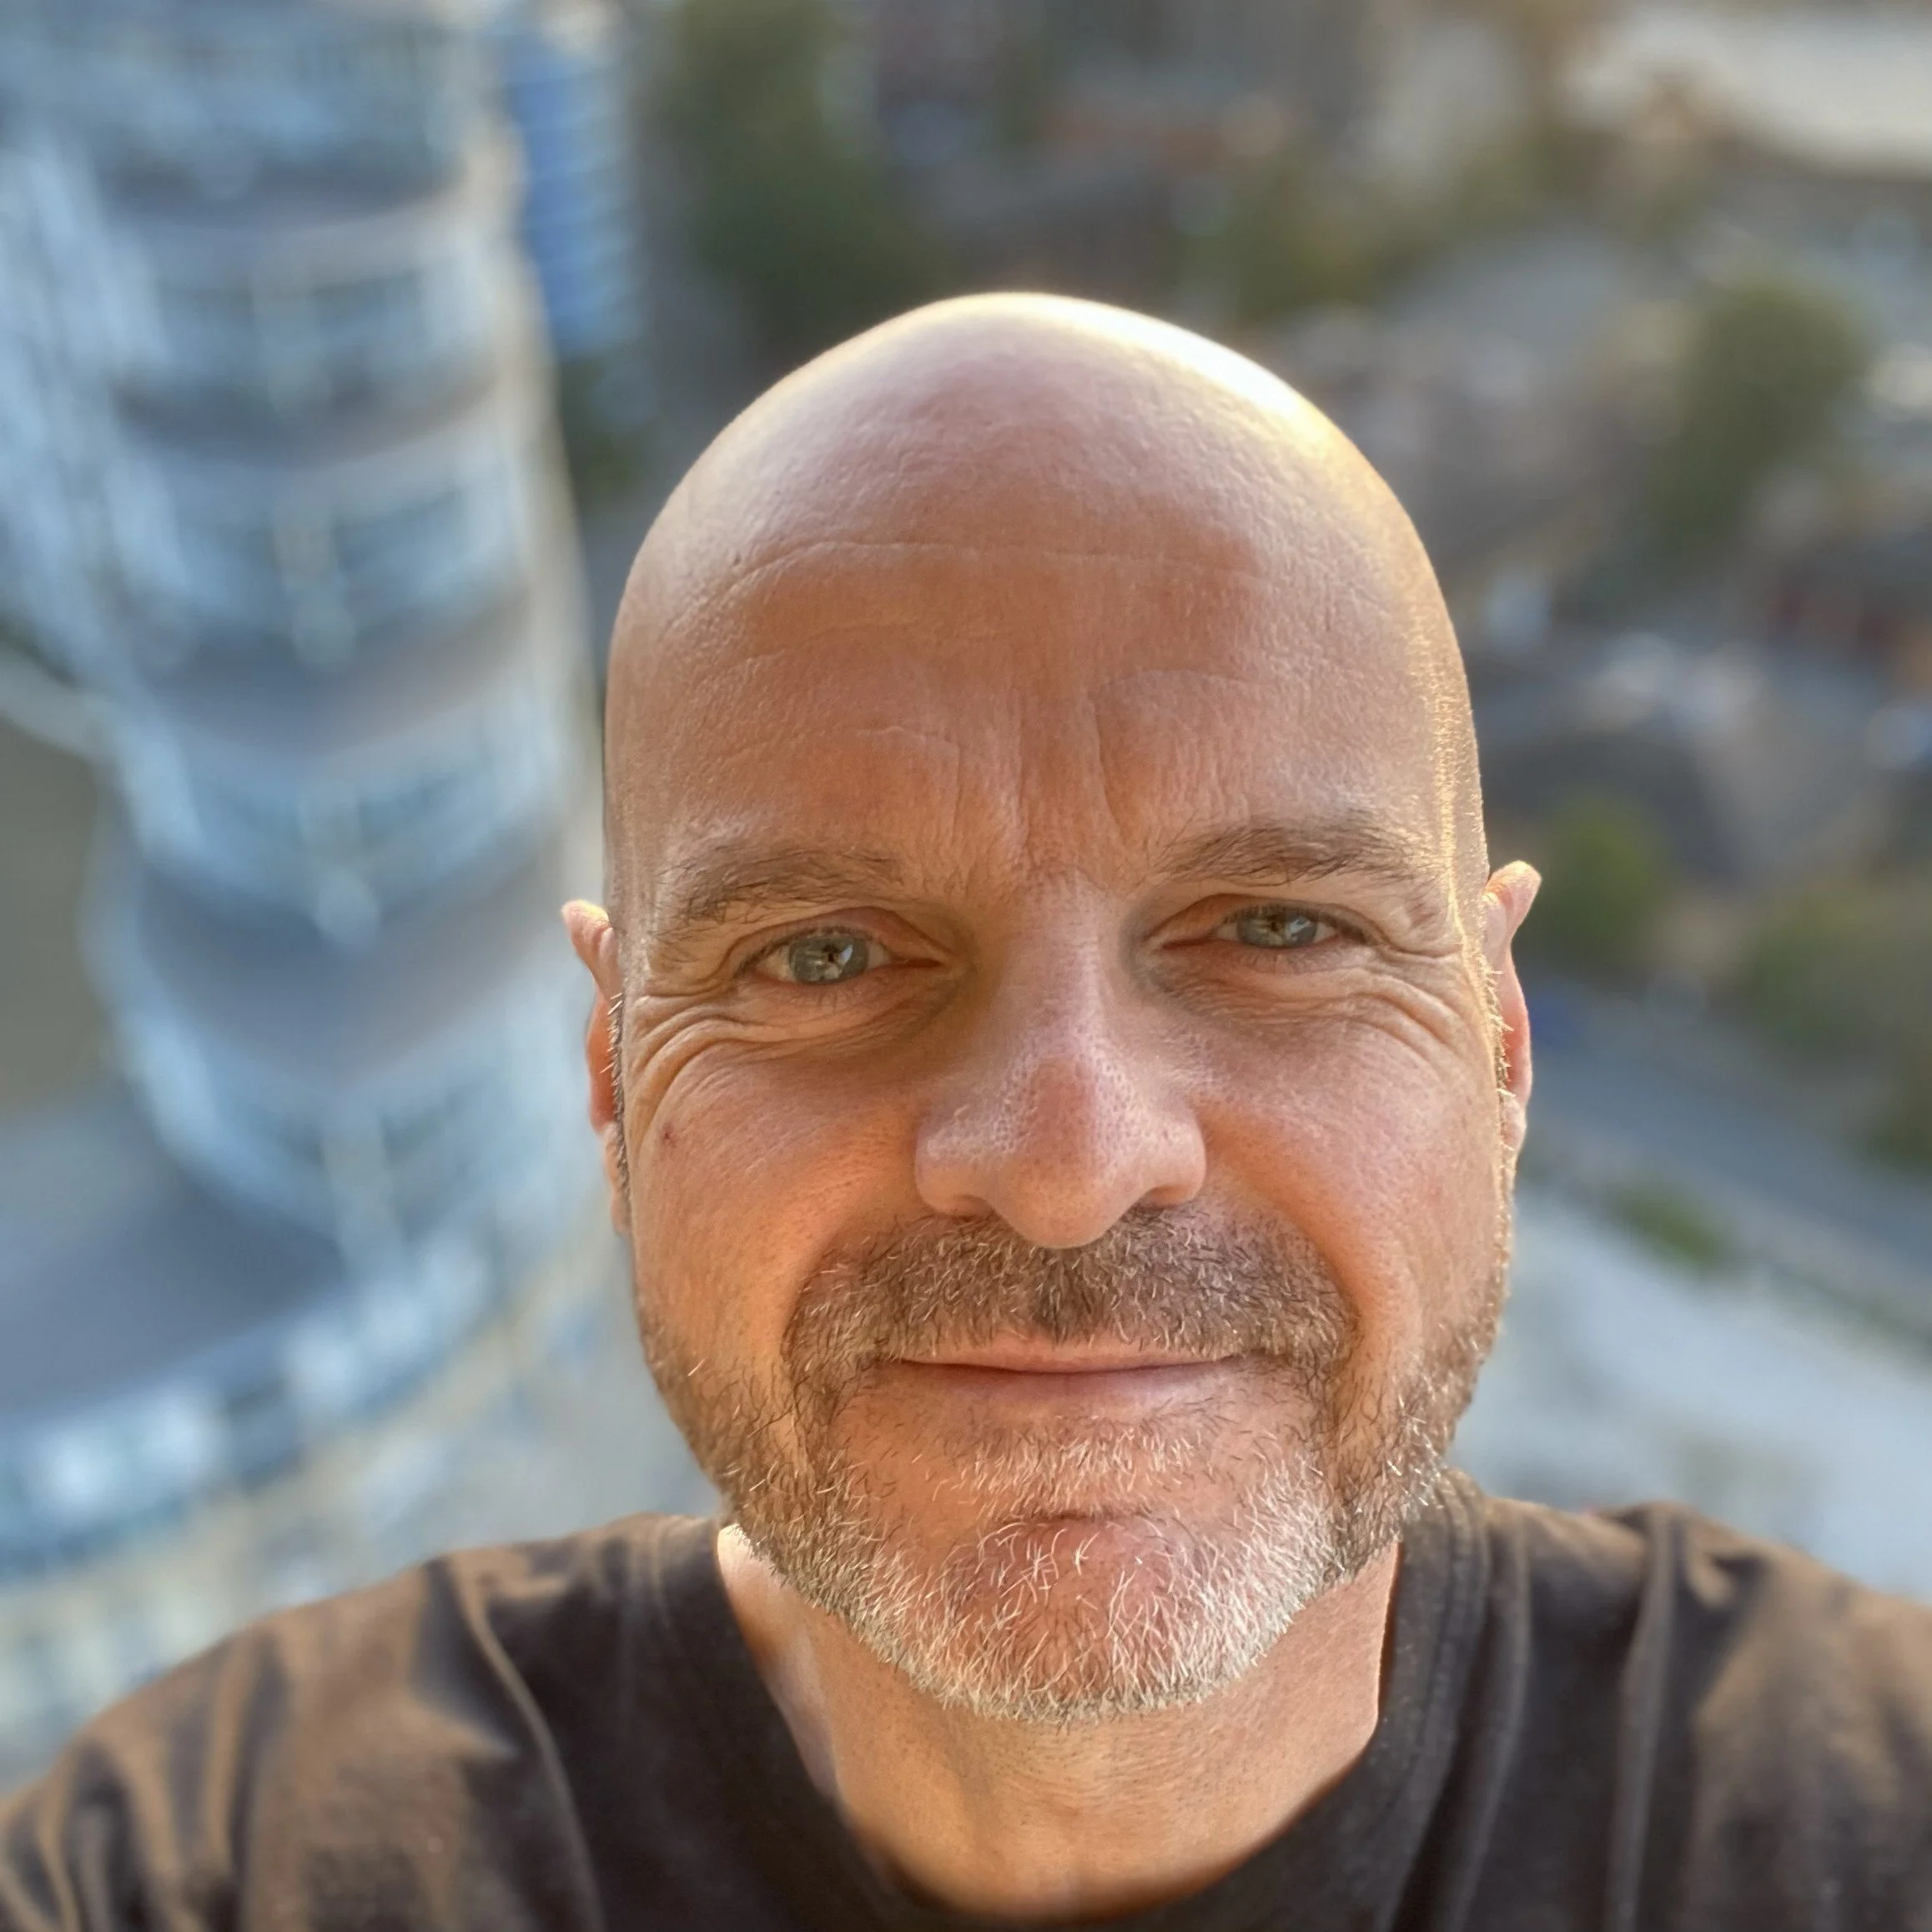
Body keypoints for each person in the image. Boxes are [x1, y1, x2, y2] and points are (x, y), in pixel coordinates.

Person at [4, 294, 1930, 1931]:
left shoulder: (1865, 1824)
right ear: (610, 1081)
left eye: (1276, 927)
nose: (1074, 1162)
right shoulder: (212, 1867)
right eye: (828, 956)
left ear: (1501, 1046)